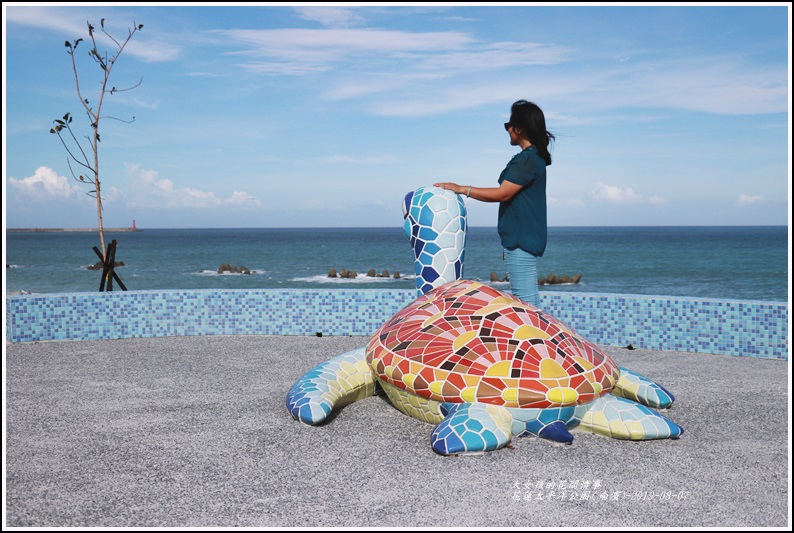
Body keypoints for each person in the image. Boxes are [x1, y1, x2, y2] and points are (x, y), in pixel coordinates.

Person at [435, 99, 554, 307]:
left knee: (526, 306)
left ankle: (538, 341)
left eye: (508, 125)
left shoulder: (527, 159)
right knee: (530, 304)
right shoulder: (534, 158)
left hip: (521, 241)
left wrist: (463, 189)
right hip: (524, 240)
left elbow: (503, 193)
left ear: (519, 128)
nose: (507, 130)